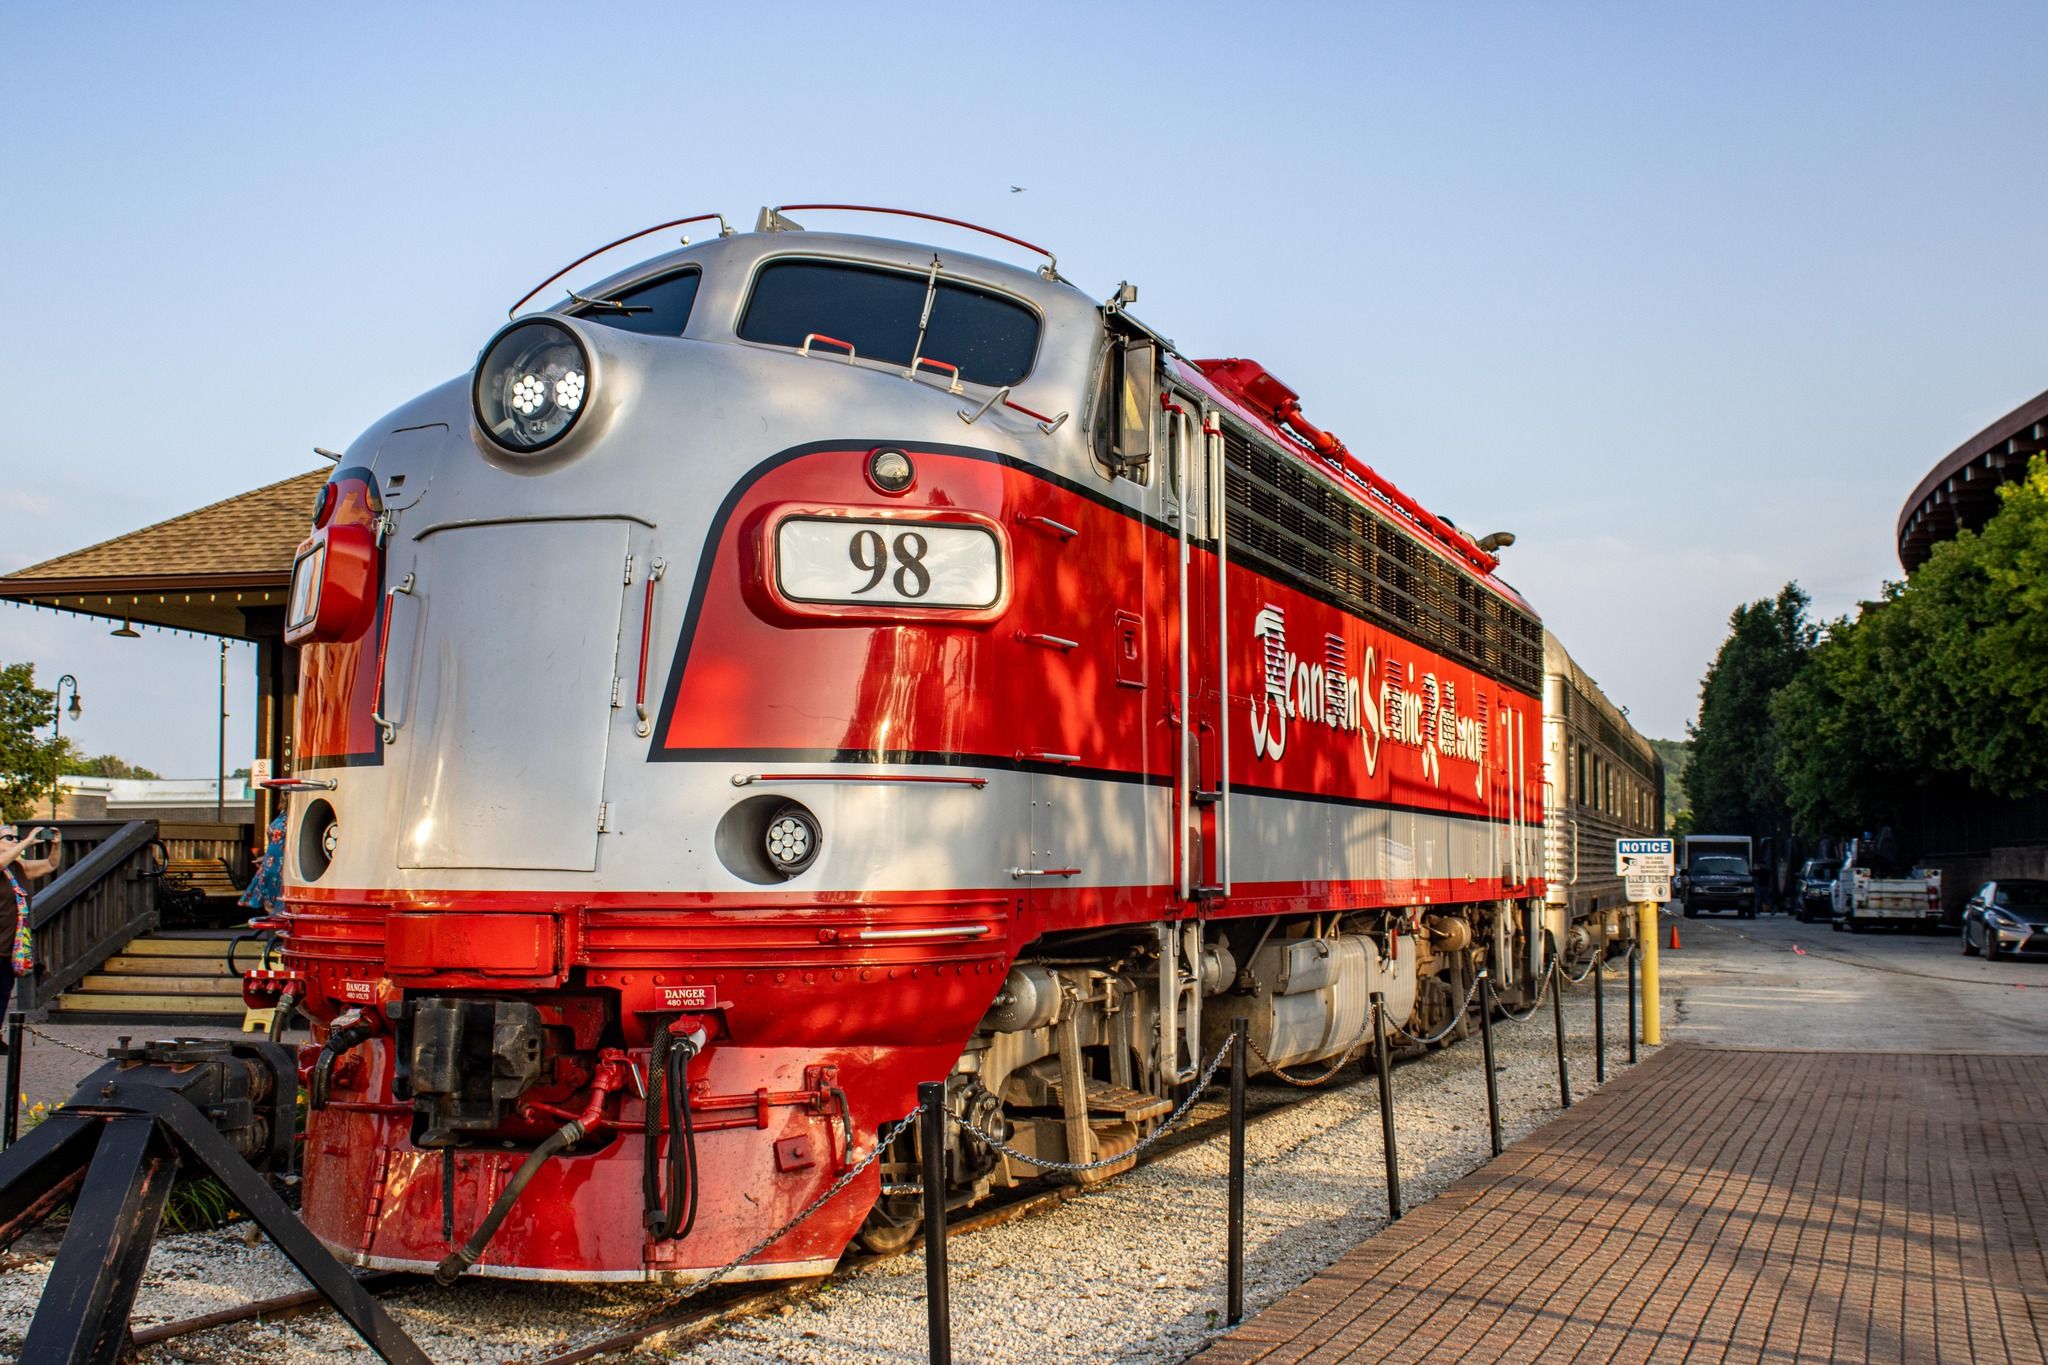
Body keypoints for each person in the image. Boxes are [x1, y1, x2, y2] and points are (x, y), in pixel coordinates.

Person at [1, 824, 63, 1050]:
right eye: (8, 837)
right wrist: (26, 841)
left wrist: (55, 846)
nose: (13, 840)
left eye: (14, 837)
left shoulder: (19, 867)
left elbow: (50, 865)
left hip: (11, 943)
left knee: (4, 991)